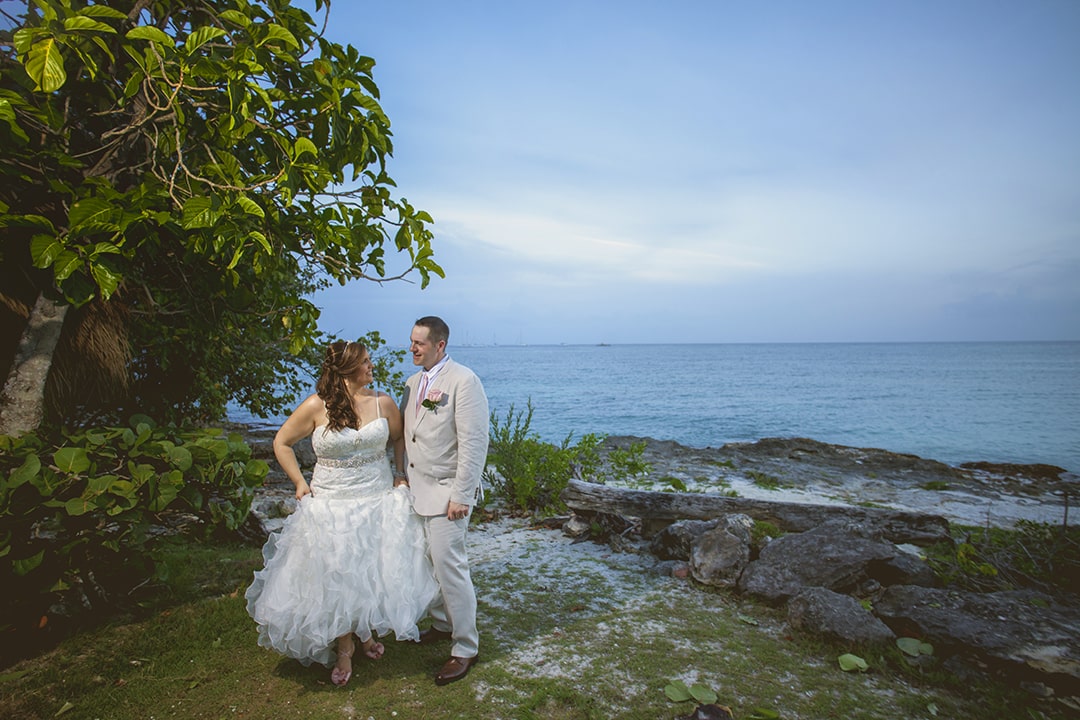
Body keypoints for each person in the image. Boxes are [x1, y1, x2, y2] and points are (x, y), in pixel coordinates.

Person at [245, 340, 439, 687]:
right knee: (338, 573)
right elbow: (282, 442)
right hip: (332, 504)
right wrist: (300, 483)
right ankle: (346, 646)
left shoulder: (382, 403)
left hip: (377, 499)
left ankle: (364, 635)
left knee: (371, 570)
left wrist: (400, 474)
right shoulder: (316, 406)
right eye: (365, 363)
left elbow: (399, 439)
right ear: (348, 370)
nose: (371, 367)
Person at [400, 316, 489, 686]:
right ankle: (440, 622)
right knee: (426, 563)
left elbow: (474, 442)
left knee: (451, 568)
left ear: (440, 344)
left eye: (418, 343)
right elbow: (408, 436)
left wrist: (461, 495)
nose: (412, 349)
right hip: (416, 491)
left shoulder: (464, 381)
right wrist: (401, 474)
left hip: (448, 493)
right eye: (411, 342)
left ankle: (465, 647)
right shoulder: (410, 383)